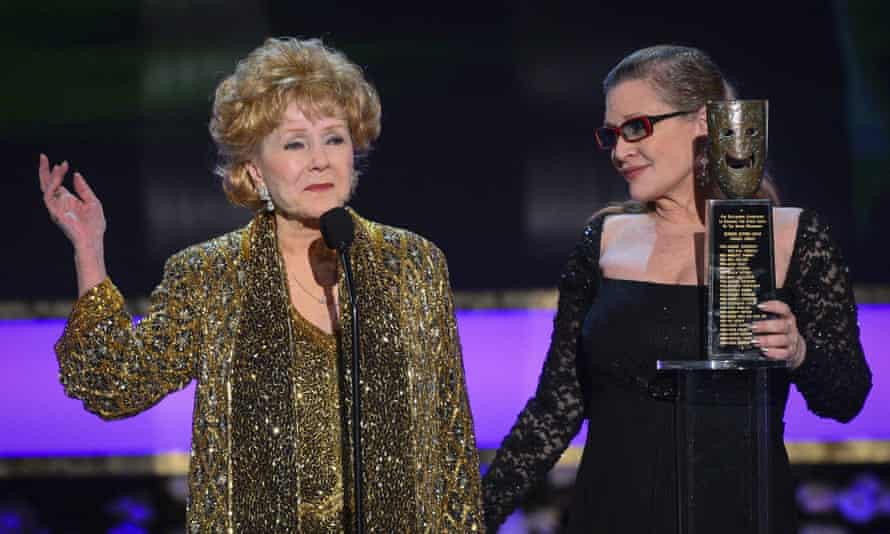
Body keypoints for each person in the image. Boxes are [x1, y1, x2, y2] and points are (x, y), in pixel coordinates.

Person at [39, 37, 484, 533]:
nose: (320, 160)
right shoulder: (212, 275)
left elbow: (451, 444)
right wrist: (89, 249)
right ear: (254, 170)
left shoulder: (412, 264)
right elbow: (114, 384)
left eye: (334, 139)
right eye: (295, 143)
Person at [481, 45, 872, 532]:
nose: (620, 152)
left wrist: (799, 353)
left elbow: (846, 397)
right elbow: (554, 409)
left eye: (637, 127)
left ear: (703, 122)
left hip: (739, 516)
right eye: (612, 134)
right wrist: (470, 518)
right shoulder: (603, 242)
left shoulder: (792, 239)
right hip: (611, 515)